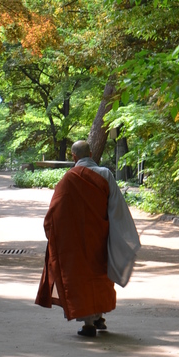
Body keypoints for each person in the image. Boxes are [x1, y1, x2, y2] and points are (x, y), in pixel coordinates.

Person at [35, 139, 141, 337]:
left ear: (73, 157)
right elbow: (116, 207)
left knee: (81, 279)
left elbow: (55, 211)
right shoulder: (105, 174)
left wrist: (51, 229)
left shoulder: (68, 179)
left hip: (76, 240)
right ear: (91, 154)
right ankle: (99, 317)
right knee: (101, 276)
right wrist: (118, 233)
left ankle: (89, 324)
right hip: (101, 236)